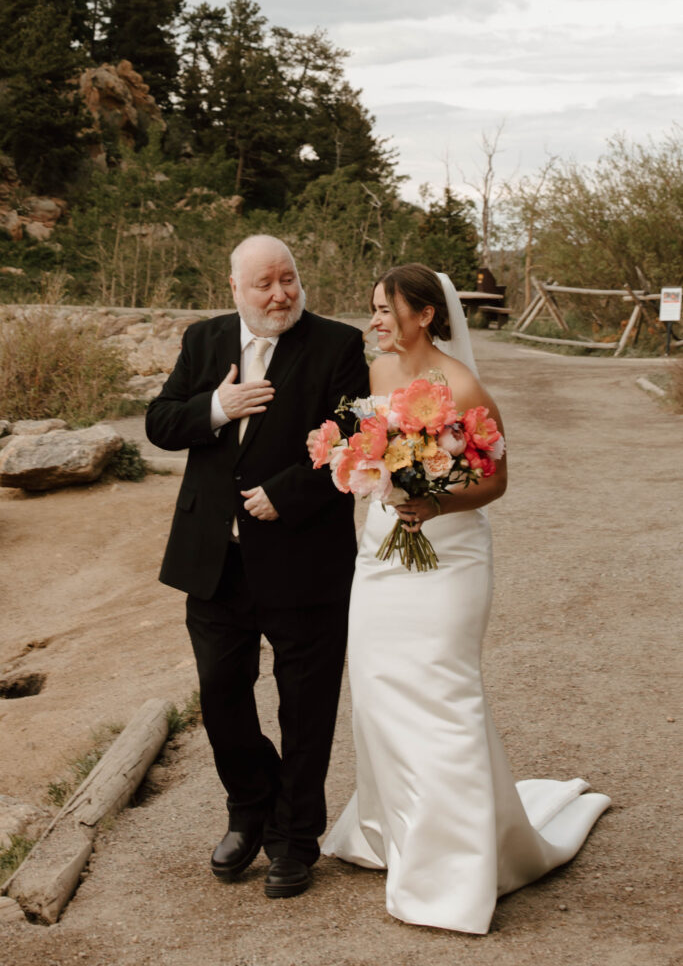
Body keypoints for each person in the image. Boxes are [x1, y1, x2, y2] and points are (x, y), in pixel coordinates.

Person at [317, 264, 610, 933]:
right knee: (377, 689)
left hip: (448, 558)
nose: (375, 322)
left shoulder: (462, 385)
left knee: (443, 695)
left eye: (385, 310)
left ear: (423, 314)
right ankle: (391, 832)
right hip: (384, 552)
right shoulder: (377, 376)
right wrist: (370, 473)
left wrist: (432, 497)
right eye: (371, 310)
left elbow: (495, 484)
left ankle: (456, 867)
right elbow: (372, 453)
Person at [146, 234, 369, 899]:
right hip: (215, 560)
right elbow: (159, 422)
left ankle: (295, 840)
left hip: (305, 560)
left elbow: (356, 440)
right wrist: (216, 409)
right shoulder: (204, 341)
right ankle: (252, 808)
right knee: (220, 695)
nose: (280, 294)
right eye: (263, 284)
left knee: (305, 707)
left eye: (289, 279)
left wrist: (286, 494)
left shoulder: (337, 345)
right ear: (234, 289)